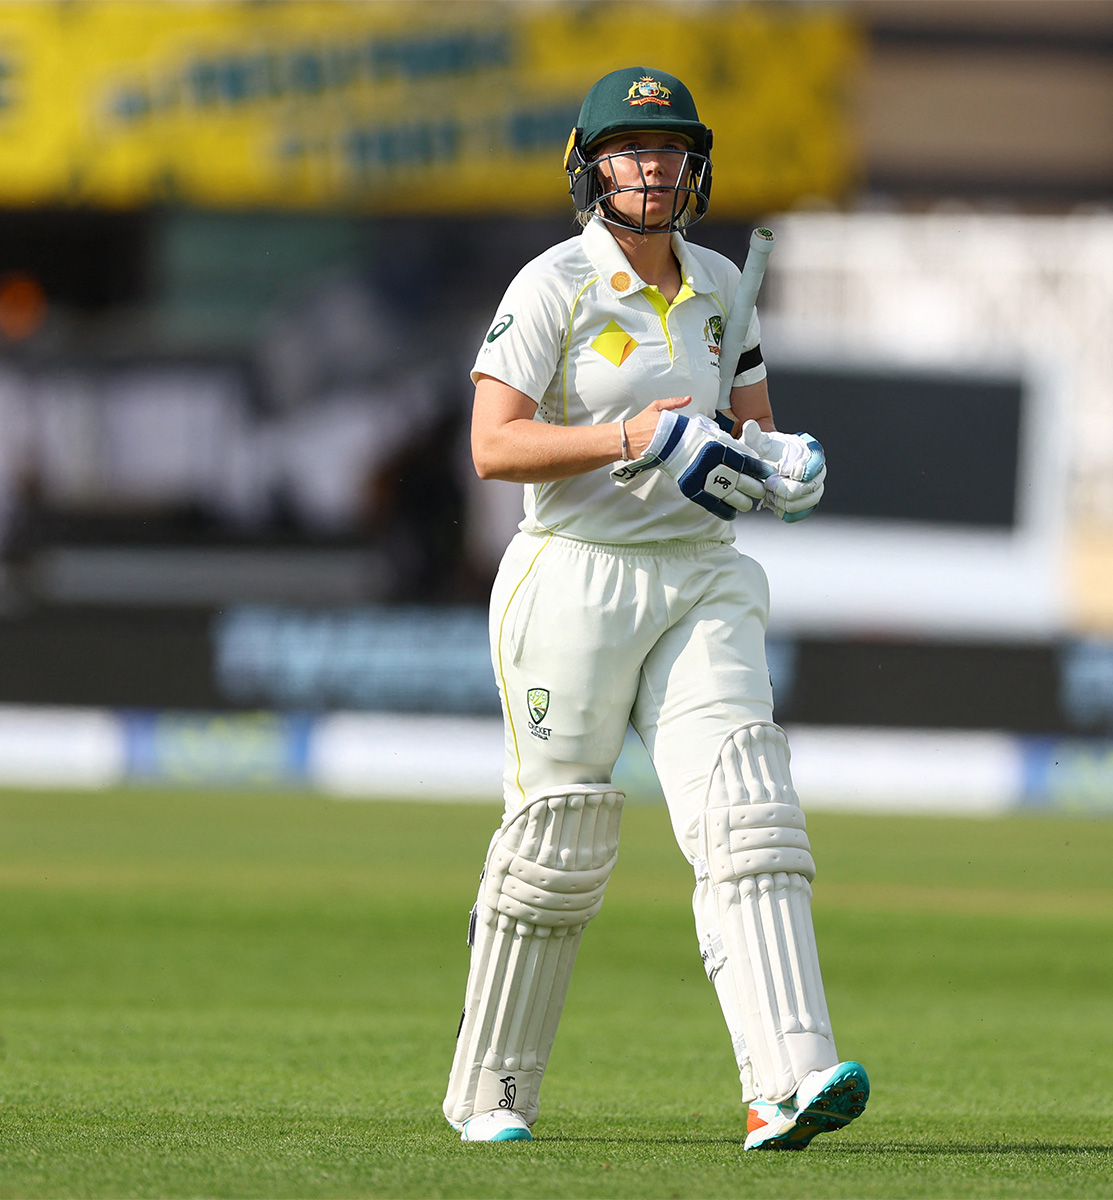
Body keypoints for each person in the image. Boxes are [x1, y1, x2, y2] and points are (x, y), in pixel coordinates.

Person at [442, 66, 868, 1150]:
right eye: (632, 150)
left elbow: (749, 429)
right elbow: (493, 446)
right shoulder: (553, 285)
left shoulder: (724, 285)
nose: (654, 168)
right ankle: (492, 1092)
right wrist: (631, 436)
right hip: (574, 575)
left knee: (748, 812)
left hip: (701, 573)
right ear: (591, 168)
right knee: (557, 839)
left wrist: (784, 466)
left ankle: (788, 1081)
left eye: (671, 150)